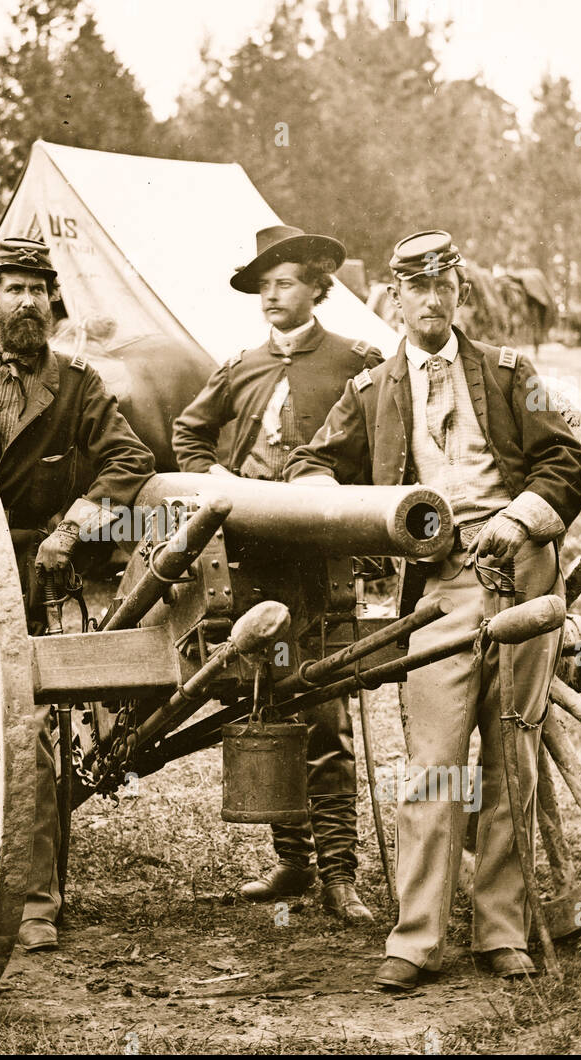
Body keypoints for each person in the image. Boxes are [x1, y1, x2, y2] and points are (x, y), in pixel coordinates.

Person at [285, 231, 581, 989]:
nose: (429, 299)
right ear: (393, 297)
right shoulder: (371, 393)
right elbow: (310, 465)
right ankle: (417, 937)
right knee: (434, 764)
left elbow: (567, 458)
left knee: (512, 750)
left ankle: (500, 931)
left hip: (522, 574)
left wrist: (519, 518)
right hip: (439, 593)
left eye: (441, 284)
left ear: (458, 292)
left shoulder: (514, 373)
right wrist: (345, 510)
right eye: (414, 287)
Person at [0, 236, 155, 952]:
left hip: (39, 575)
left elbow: (130, 459)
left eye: (37, 289)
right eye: (11, 288)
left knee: (35, 737)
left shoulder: (77, 385)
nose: (25, 302)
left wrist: (72, 528)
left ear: (52, 302)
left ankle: (36, 900)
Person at [172, 225, 384, 925]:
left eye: (285, 281)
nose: (272, 295)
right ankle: (292, 860)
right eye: (263, 285)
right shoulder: (237, 367)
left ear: (318, 288)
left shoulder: (357, 362)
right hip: (256, 564)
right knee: (269, 702)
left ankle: (341, 874)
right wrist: (217, 481)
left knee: (326, 716)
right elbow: (188, 435)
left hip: (322, 566)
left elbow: (384, 445)